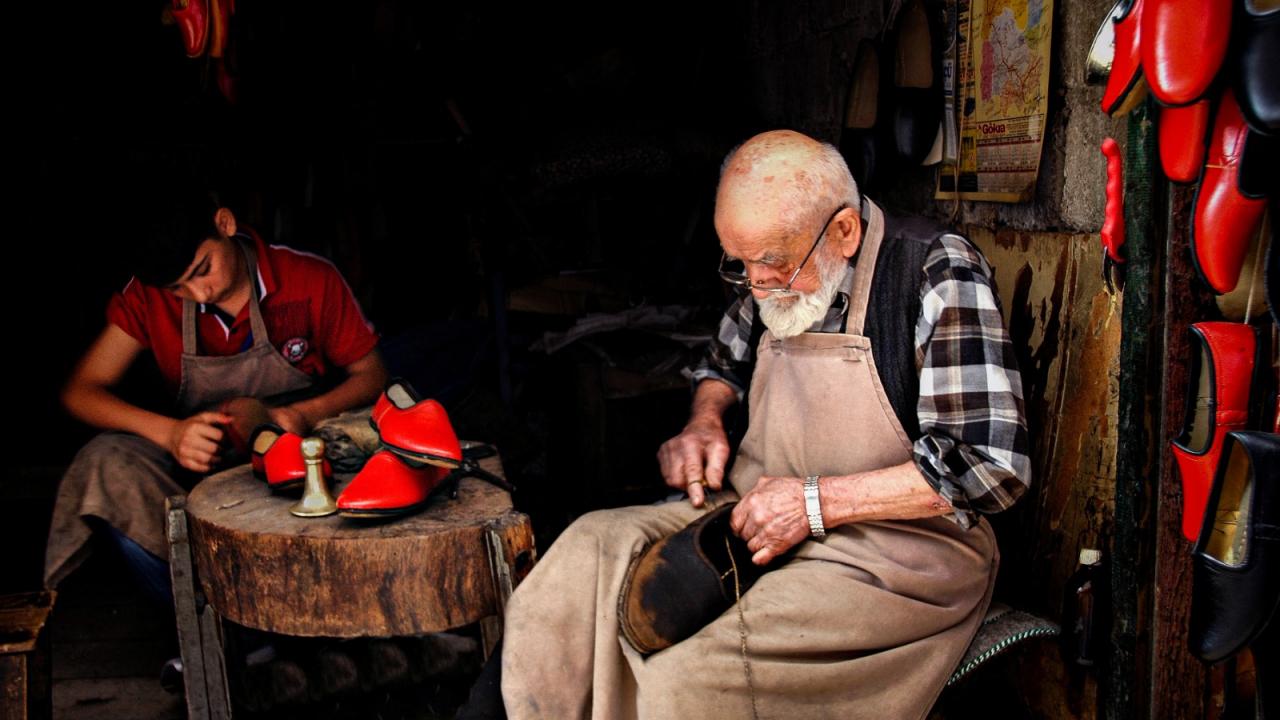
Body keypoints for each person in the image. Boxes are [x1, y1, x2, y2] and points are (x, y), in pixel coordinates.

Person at [493, 130, 1031, 719]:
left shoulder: (933, 269)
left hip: (898, 553)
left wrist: (812, 503)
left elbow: (989, 468)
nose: (755, 284)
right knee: (576, 566)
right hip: (753, 510)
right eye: (740, 263)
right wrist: (704, 420)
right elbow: (722, 363)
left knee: (694, 676)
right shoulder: (772, 270)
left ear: (844, 231)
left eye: (771, 263)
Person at [45, 185, 388, 603]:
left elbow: (371, 374)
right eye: (178, 288)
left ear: (224, 224)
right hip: (203, 475)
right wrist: (171, 433)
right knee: (106, 463)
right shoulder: (147, 298)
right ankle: (218, 618)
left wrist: (305, 414)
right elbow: (80, 391)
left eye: (201, 269)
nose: (199, 293)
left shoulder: (309, 278)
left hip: (301, 459)